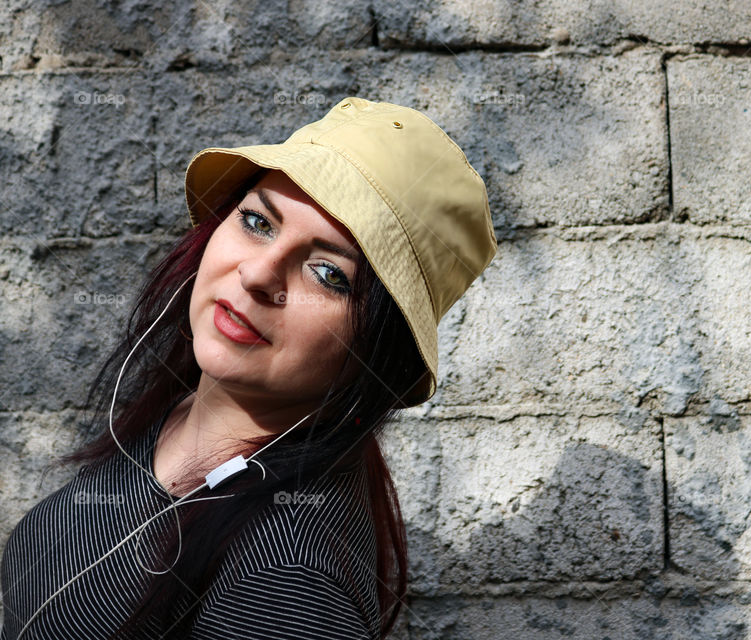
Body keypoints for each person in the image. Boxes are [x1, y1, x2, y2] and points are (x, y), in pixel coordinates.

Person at [0, 96, 497, 639]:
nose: (260, 273)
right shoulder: (179, 411)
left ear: (377, 349)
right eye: (258, 221)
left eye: (328, 274)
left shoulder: (288, 585)